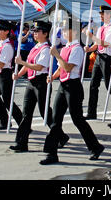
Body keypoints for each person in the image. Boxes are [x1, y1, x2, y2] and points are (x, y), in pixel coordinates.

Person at [40, 16, 105, 165]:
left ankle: (95, 146)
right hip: (63, 85)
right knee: (56, 119)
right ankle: (51, 153)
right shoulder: (66, 48)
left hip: (73, 86)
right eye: (62, 29)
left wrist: (57, 55)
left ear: (74, 31)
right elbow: (62, 67)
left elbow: (69, 67)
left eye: (65, 29)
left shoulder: (77, 49)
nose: (62, 32)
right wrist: (53, 76)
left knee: (78, 120)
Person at [10, 20, 69, 153]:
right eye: (34, 31)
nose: (34, 34)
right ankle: (21, 142)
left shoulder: (46, 49)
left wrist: (22, 62)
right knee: (26, 113)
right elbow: (28, 65)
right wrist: (18, 74)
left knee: (45, 112)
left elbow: (39, 66)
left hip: (41, 82)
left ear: (45, 33)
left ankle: (60, 136)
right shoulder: (35, 47)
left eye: (37, 31)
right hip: (31, 82)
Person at [85, 6, 111, 127]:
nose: (101, 16)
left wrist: (92, 36)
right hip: (99, 56)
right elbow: (97, 44)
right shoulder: (101, 28)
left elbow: (106, 43)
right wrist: (90, 49)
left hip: (107, 57)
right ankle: (91, 112)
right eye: (100, 14)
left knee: (108, 84)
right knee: (93, 84)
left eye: (103, 14)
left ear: (109, 15)